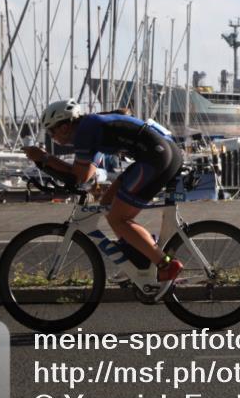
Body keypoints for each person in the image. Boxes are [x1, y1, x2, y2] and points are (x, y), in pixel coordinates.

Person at [24, 99, 185, 280]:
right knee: (107, 203)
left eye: (51, 131)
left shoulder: (85, 131)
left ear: (64, 127)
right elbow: (87, 172)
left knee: (118, 219)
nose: (51, 136)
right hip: (160, 153)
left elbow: (80, 177)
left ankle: (165, 264)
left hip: (156, 158)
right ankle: (141, 259)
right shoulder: (89, 125)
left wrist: (44, 158)